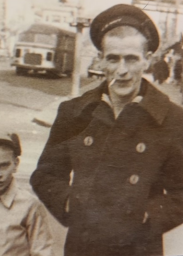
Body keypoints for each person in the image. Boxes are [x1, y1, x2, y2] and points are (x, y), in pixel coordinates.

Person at [30, 4, 183, 256]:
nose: (122, 71)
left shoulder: (172, 118)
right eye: (113, 58)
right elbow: (46, 175)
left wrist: (148, 216)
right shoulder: (74, 113)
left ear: (147, 61)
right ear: (101, 60)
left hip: (140, 246)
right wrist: (70, 204)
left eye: (131, 59)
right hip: (84, 244)